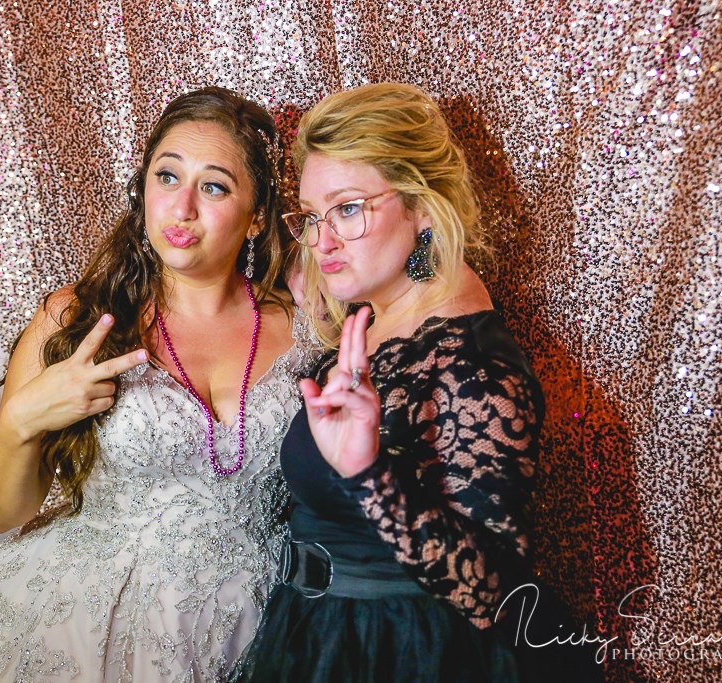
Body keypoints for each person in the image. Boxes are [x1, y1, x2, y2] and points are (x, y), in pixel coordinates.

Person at [0, 87, 318, 682]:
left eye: (215, 186)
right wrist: (25, 420)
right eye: (166, 176)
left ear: (255, 218)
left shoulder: (308, 330)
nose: (183, 206)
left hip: (259, 628)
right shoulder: (78, 316)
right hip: (78, 622)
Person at [236, 83, 600, 682]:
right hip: (314, 635)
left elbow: (494, 594)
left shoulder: (473, 364)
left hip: (403, 653)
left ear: (422, 208)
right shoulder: (372, 324)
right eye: (311, 216)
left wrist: (369, 476)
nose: (322, 241)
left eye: (349, 209)